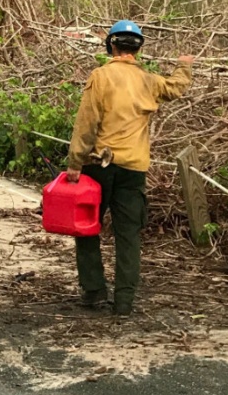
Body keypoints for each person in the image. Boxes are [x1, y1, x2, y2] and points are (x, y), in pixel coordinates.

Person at [65, 20, 194, 317]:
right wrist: (184, 65)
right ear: (139, 48)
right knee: (129, 235)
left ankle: (94, 291)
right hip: (134, 170)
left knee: (86, 229)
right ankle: (124, 302)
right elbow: (175, 87)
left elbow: (86, 124)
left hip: (98, 167)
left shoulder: (100, 76)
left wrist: (74, 163)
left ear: (111, 45)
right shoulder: (149, 81)